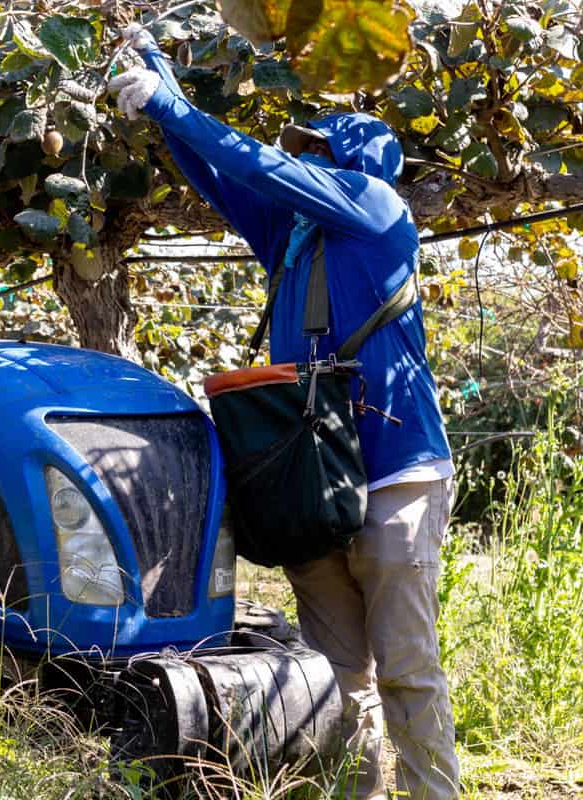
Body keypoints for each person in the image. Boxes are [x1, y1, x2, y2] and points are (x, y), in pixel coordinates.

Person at [109, 26, 459, 800]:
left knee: (407, 673)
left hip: (397, 477)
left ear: (353, 163)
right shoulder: (297, 238)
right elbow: (222, 176)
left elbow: (259, 163)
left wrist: (171, 99)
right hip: (319, 478)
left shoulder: (374, 206)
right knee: (340, 680)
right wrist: (162, 91)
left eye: (319, 150)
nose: (304, 160)